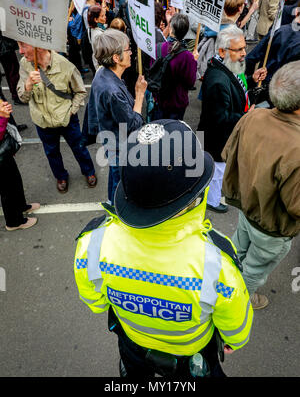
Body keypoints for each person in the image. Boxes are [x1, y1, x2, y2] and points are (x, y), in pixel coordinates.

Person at [74, 119, 253, 378]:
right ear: (195, 194)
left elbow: (96, 302)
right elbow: (237, 330)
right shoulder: (216, 263)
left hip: (132, 346)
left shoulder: (93, 242)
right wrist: (231, 342)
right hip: (191, 359)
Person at [222, 61, 300, 309]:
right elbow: (296, 206)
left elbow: (228, 155)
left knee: (236, 252)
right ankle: (236, 302)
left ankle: (223, 283)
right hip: (271, 228)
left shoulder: (254, 116)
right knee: (254, 269)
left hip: (246, 209)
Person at [197, 25, 266, 213]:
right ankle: (212, 201)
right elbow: (221, 119)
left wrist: (252, 79)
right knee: (218, 171)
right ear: (222, 51)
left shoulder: (225, 64)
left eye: (244, 47)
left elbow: (238, 84)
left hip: (219, 137)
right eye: (239, 49)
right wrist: (247, 116)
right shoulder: (218, 81)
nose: (245, 53)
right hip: (217, 139)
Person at [16, 42, 97, 194]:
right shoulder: (25, 64)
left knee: (79, 147)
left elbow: (80, 92)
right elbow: (23, 97)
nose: (20, 51)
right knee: (51, 152)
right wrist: (27, 85)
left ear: (37, 46)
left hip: (67, 120)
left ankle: (89, 171)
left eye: (23, 46)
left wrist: (71, 112)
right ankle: (61, 177)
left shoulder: (65, 65)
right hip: (42, 122)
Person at [87, 29, 147, 204]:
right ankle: (116, 209)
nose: (131, 53)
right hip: (121, 146)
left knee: (115, 175)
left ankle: (111, 201)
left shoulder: (102, 74)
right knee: (122, 182)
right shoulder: (112, 91)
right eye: (128, 50)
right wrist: (139, 94)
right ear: (115, 58)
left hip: (110, 139)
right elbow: (133, 124)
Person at [0, 99, 40, 231]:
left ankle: (21, 206)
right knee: (7, 188)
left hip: (4, 153)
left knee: (15, 179)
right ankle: (14, 222)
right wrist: (3, 117)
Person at [151, 13, 198, 121]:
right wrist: (194, 62)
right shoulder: (188, 57)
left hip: (159, 98)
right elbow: (190, 82)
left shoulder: (157, 48)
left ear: (171, 29)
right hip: (177, 102)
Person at [246, 9, 300, 96]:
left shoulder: (280, 31)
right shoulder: (280, 31)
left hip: (271, 89)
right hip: (277, 91)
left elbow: (251, 58)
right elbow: (251, 59)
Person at [87, 4, 107, 71]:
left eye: (104, 15)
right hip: (102, 66)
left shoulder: (91, 28)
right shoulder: (99, 35)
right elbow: (102, 55)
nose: (105, 17)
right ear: (96, 19)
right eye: (102, 16)